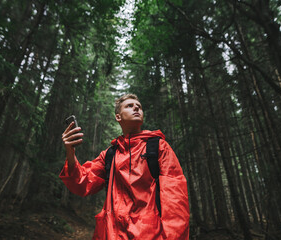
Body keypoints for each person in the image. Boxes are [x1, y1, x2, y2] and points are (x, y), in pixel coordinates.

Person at [59, 94, 190, 239]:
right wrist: (70, 152)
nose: (136, 108)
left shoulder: (158, 147)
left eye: (139, 106)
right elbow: (82, 182)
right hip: (112, 234)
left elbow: (175, 199)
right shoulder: (110, 154)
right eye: (129, 106)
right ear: (118, 117)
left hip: (150, 235)